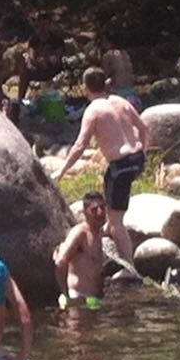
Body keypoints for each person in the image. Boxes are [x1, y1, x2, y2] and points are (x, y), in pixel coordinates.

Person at [54, 66, 151, 263]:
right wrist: (144, 153)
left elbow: (80, 145)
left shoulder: (93, 111)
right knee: (108, 181)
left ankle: (130, 268)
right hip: (135, 159)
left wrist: (62, 171)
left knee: (116, 222)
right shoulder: (120, 101)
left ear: (85, 87)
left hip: (121, 165)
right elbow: (143, 128)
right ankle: (108, 230)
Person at [54, 192, 109, 308]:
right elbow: (60, 263)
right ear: (85, 213)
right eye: (94, 210)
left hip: (91, 299)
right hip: (77, 297)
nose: (100, 212)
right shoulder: (80, 233)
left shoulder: (98, 233)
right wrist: (67, 296)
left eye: (103, 208)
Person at [15, 17, 67, 102]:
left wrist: (47, 60)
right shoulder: (34, 40)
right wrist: (39, 62)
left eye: (45, 25)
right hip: (38, 68)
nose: (42, 28)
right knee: (24, 74)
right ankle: (20, 100)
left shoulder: (56, 40)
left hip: (53, 69)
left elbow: (57, 57)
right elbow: (32, 57)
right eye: (40, 26)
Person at [101, 33, 142, 111]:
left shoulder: (108, 56)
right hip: (131, 91)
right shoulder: (125, 54)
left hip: (118, 92)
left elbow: (105, 75)